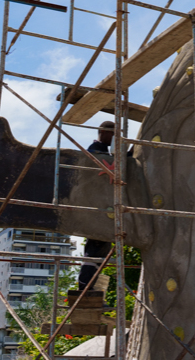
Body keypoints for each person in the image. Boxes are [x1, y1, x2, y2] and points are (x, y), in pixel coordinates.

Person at [78, 121, 114, 290]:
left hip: (100, 207)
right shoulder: (95, 149)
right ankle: (85, 289)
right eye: (112, 133)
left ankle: (87, 288)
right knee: (95, 250)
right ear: (102, 132)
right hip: (96, 208)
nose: (114, 138)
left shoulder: (103, 150)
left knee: (100, 251)